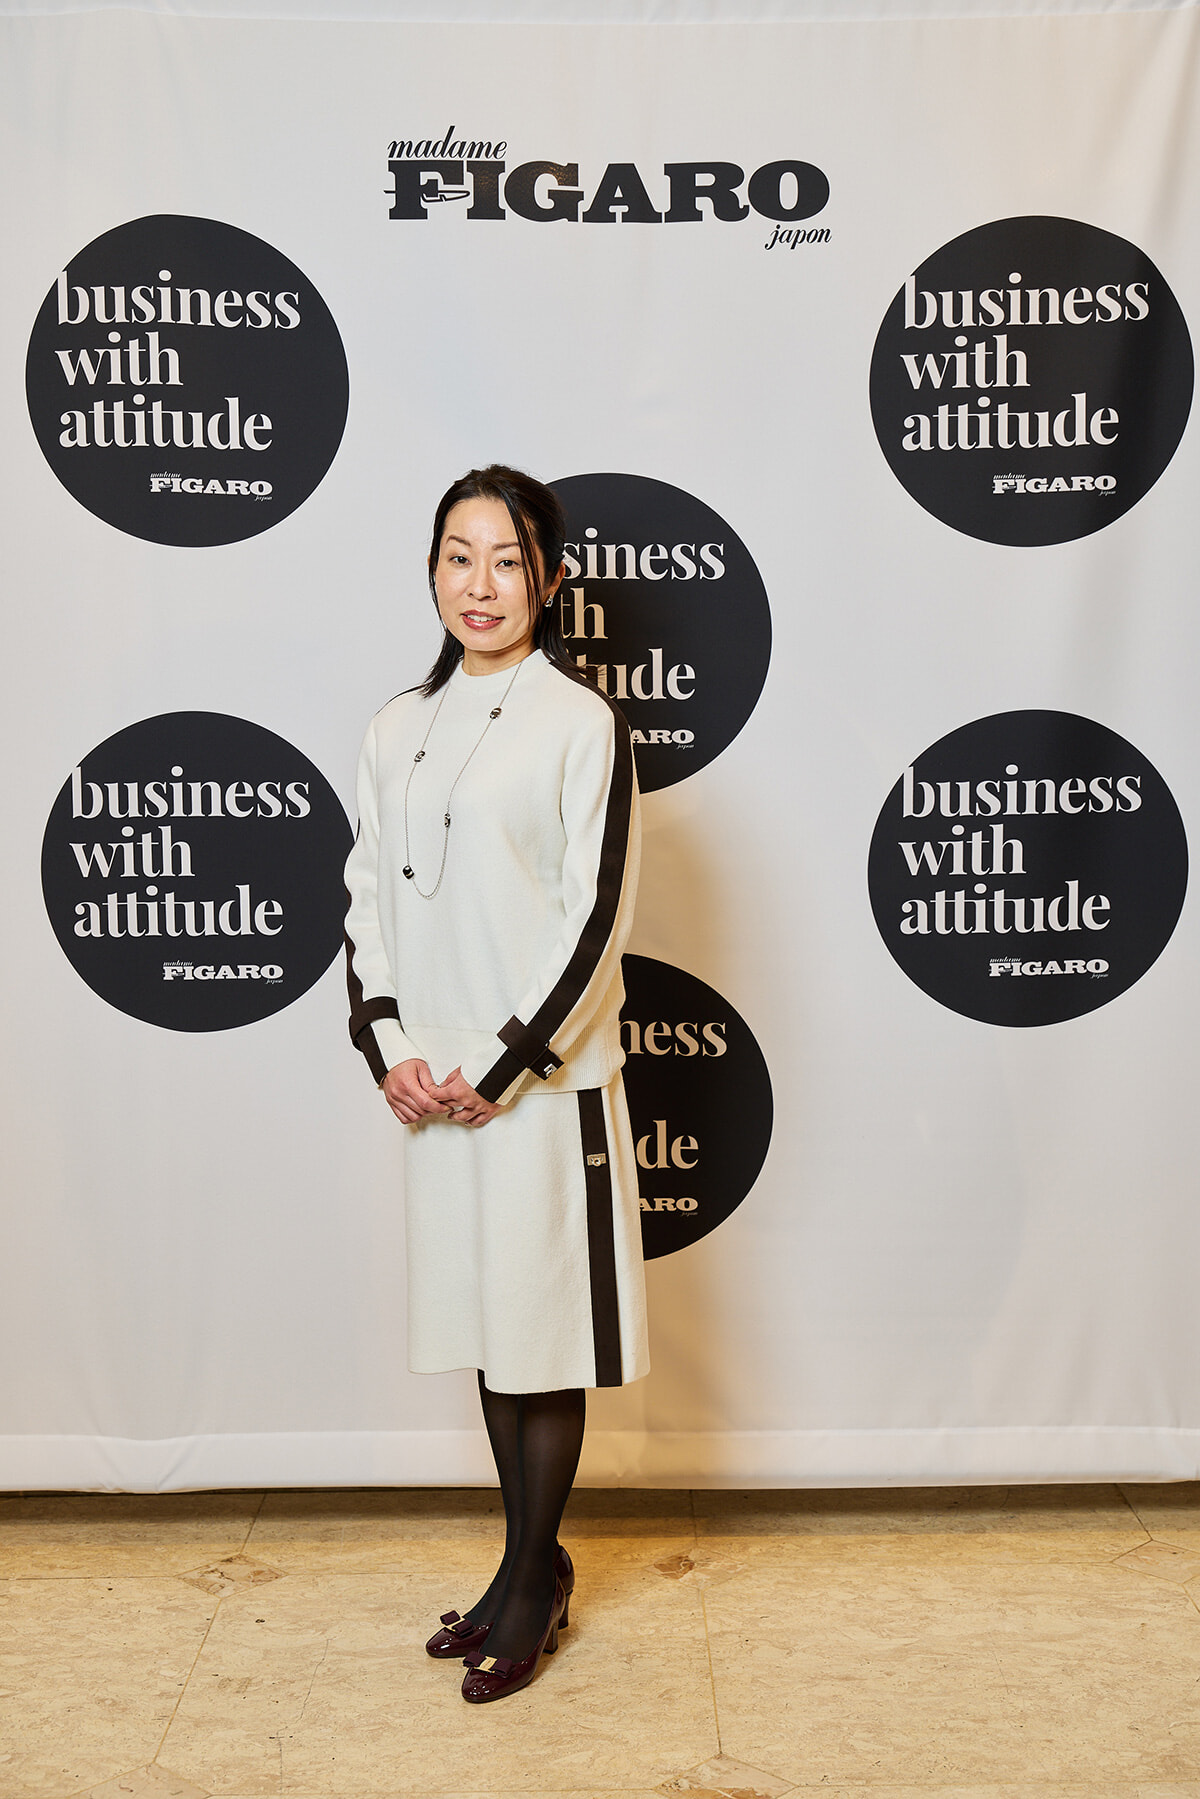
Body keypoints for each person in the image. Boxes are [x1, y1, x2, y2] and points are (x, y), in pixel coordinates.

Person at [344, 465, 648, 1704]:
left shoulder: (581, 722)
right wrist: (392, 1045)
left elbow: (598, 915)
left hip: (538, 1083)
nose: (482, 584)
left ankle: (531, 1582)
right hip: (436, 1083)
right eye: (459, 557)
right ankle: (527, 1562)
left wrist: (510, 1060)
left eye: (509, 560)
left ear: (551, 580)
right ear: (431, 571)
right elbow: (367, 896)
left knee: (539, 1334)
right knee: (488, 1330)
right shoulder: (393, 726)